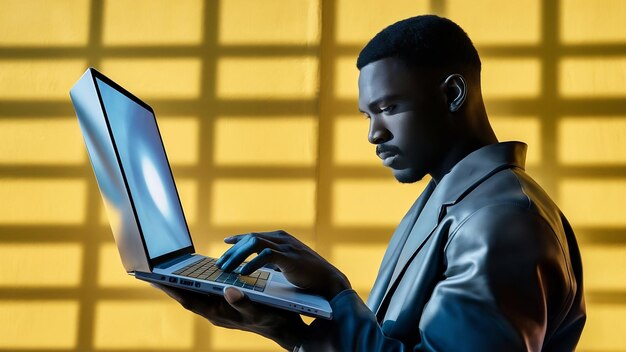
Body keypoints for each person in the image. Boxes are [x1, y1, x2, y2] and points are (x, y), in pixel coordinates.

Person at [154, 15, 586, 351]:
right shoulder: (453, 197)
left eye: (390, 107)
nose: (374, 134)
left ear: (453, 95)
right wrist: (289, 331)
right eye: (368, 114)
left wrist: (335, 290)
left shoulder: (497, 222)